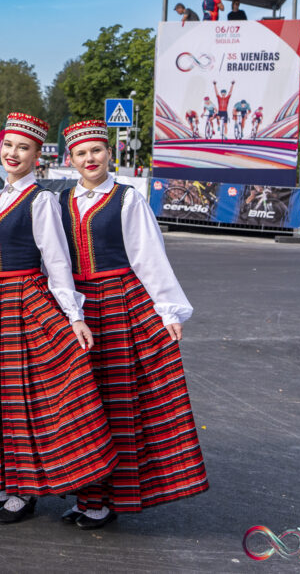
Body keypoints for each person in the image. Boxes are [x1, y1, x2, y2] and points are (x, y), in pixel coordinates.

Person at [57, 119, 208, 529]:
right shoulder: (61, 201)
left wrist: (168, 311)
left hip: (118, 306)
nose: (90, 159)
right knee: (83, 405)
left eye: (96, 150)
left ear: (110, 153)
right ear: (70, 159)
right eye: (81, 153)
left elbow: (149, 257)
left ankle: (105, 500)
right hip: (77, 308)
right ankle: (87, 493)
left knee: (116, 402)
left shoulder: (127, 199)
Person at [0, 112, 117, 525]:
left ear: (37, 155)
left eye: (24, 148)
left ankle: (27, 490)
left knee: (26, 399)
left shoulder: (41, 200)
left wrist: (73, 315)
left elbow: (56, 260)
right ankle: (10, 484)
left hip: (26, 302)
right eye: (9, 145)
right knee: (0, 398)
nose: (14, 153)